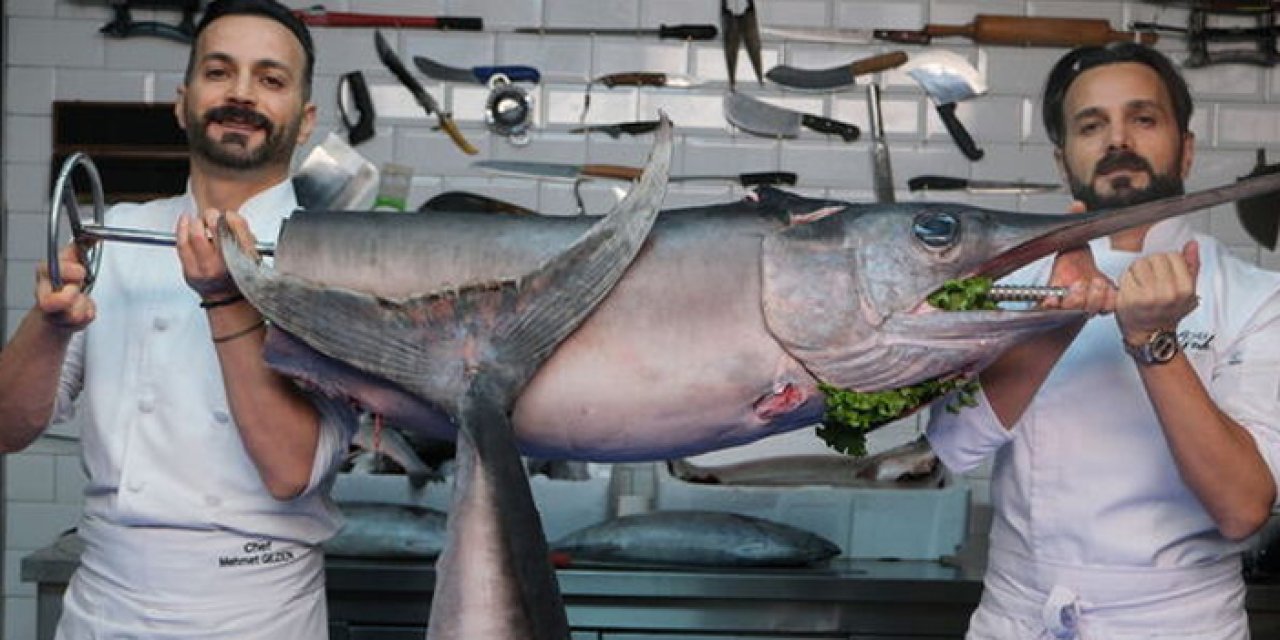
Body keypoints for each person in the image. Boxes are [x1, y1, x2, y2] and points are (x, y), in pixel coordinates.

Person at [0, 1, 356, 637]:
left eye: (270, 79)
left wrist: (223, 299)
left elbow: (289, 470)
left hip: (255, 614)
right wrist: (50, 325)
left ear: (304, 122)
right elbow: (6, 427)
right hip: (104, 609)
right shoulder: (119, 237)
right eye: (219, 72)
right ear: (182, 100)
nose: (241, 93)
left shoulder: (336, 261)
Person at [927, 42, 1280, 639]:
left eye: (1143, 118)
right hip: (1021, 618)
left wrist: (1151, 340)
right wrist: (1056, 321)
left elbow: (1242, 509)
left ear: (1186, 148)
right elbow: (952, 446)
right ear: (1064, 163)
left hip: (1178, 625)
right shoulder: (1009, 286)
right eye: (1093, 125)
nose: (1118, 140)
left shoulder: (1257, 298)